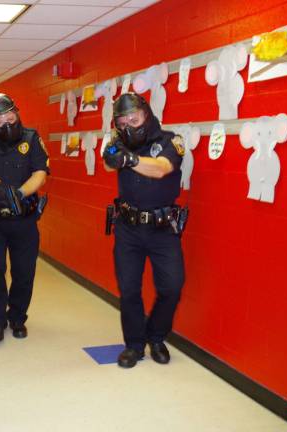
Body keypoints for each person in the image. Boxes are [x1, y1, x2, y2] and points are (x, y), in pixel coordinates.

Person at [102, 93, 186, 369]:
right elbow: (107, 161)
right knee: (129, 290)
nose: (128, 125)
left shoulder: (170, 141)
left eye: (133, 118)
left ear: (146, 114)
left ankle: (157, 336)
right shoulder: (119, 141)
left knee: (172, 287)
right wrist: (115, 154)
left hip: (163, 229)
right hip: (128, 228)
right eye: (122, 121)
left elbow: (162, 169)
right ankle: (134, 346)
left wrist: (131, 160)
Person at [0, 93, 49, 343]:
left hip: (24, 220)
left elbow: (40, 172)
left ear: (17, 114)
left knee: (24, 272)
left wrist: (21, 193)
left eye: (10, 117)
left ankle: (17, 318)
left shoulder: (31, 137)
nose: (6, 123)